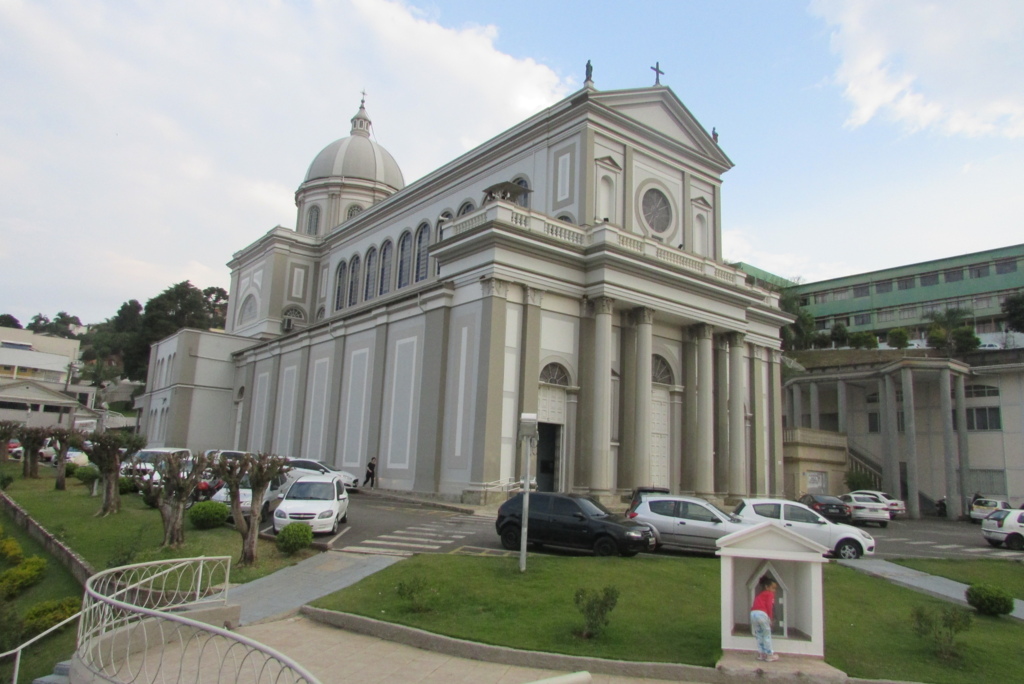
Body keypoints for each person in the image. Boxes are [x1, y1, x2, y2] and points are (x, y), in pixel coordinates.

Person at [750, 576, 779, 662]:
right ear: (767, 587)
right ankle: (769, 654)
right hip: (762, 614)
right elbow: (769, 606)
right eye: (773, 588)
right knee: (767, 634)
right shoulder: (770, 594)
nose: (774, 590)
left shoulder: (759, 595)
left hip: (753, 613)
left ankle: (761, 654)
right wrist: (770, 617)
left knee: (759, 634)